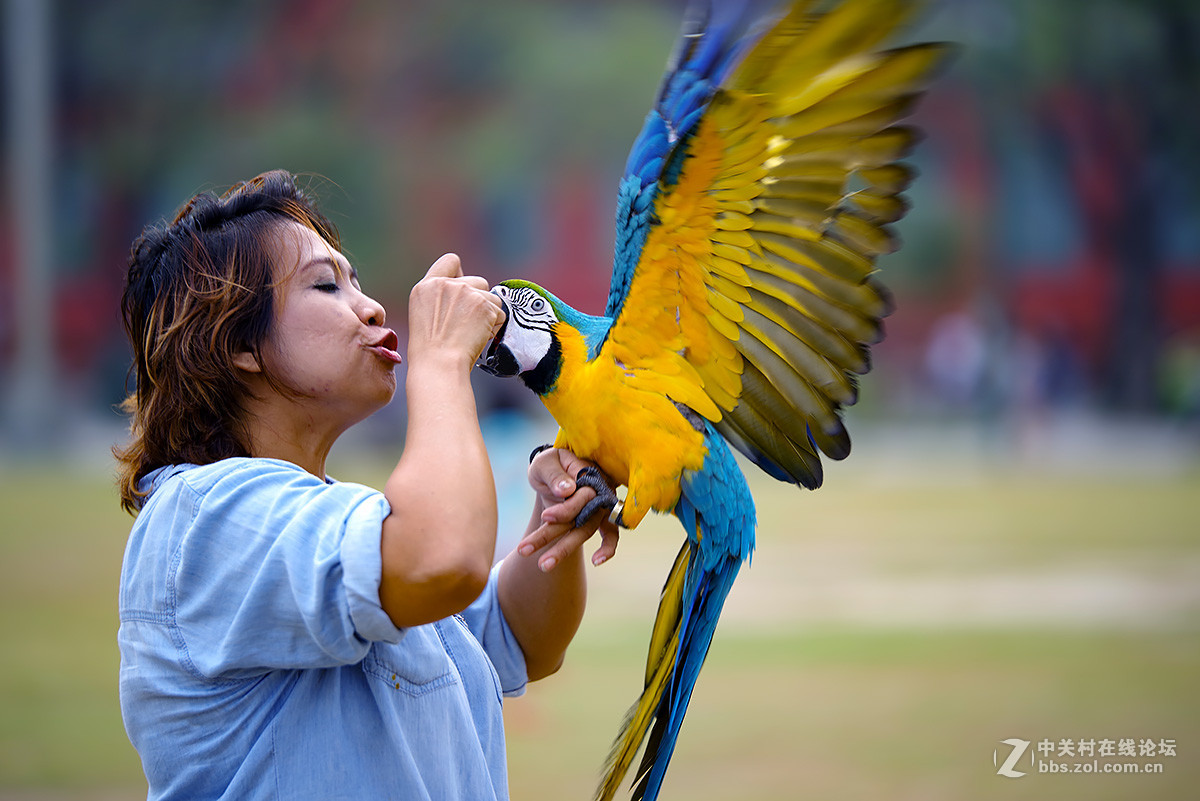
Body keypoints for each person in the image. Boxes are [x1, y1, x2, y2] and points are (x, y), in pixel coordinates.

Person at [114, 169, 619, 800]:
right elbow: (443, 561)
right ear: (239, 342)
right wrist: (440, 362)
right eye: (326, 285)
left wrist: (555, 513)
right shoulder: (209, 518)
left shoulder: (331, 517)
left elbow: (523, 639)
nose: (372, 306)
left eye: (355, 281)